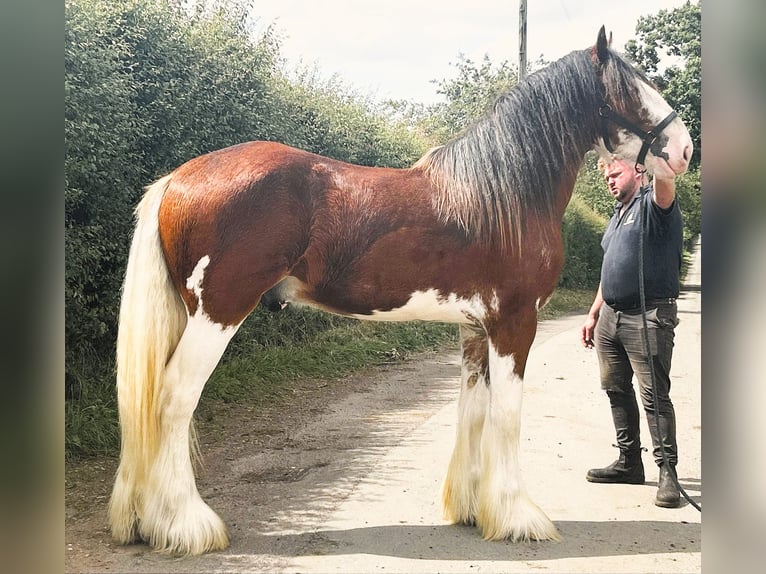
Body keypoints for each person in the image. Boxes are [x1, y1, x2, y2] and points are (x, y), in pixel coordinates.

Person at [581, 157, 683, 508]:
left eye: (615, 173)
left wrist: (655, 154)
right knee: (615, 388)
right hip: (611, 315)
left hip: (650, 313)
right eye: (606, 176)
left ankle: (668, 473)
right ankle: (629, 462)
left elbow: (665, 179)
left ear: (638, 171)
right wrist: (594, 313)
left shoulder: (655, 205)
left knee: (654, 395)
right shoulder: (618, 213)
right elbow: (610, 266)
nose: (609, 180)